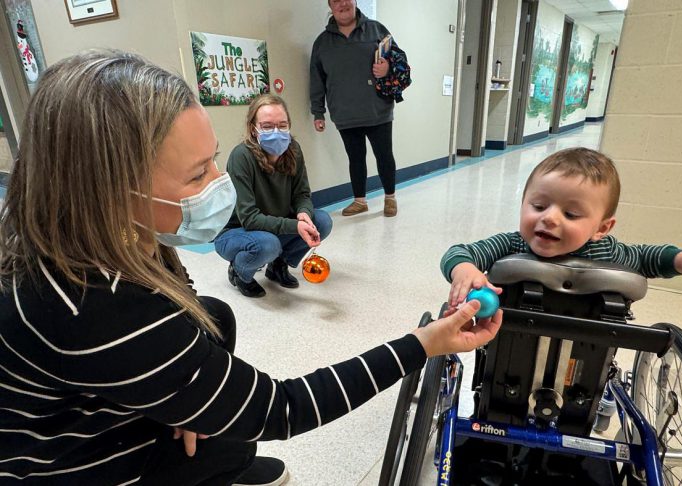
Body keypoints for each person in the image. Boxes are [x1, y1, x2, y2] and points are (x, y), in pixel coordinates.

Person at [0, 50, 502, 486]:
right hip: (61, 465)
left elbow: (179, 305)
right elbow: (281, 408)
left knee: (215, 318)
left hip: (83, 391)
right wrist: (425, 343)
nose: (216, 180)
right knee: (233, 440)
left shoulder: (65, 223)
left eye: (212, 160)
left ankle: (189, 409)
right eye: (198, 173)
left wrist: (185, 399)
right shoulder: (93, 303)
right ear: (110, 188)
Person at [441, 147, 682, 307]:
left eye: (571, 214)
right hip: (511, 343)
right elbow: (460, 252)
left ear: (601, 228)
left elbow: (646, 258)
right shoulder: (514, 244)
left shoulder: (607, 251)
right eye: (539, 206)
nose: (550, 218)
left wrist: (680, 259)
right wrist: (464, 268)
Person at [213, 94, 331, 298]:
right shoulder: (241, 156)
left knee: (321, 221)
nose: (276, 132)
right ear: (253, 128)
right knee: (267, 245)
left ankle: (278, 265)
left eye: (282, 125)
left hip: (272, 225)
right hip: (236, 232)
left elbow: (302, 193)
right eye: (267, 126)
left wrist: (303, 214)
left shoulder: (293, 149)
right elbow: (249, 218)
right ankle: (240, 272)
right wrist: (295, 226)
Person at [310, 0, 406, 217]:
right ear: (330, 6)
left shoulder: (376, 29)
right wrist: (318, 112)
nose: (342, 4)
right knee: (355, 158)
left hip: (377, 110)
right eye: (336, 1)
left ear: (354, 1)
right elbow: (317, 80)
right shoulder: (322, 42)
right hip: (344, 113)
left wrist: (387, 67)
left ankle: (390, 198)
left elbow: (400, 59)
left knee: (384, 156)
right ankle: (360, 201)